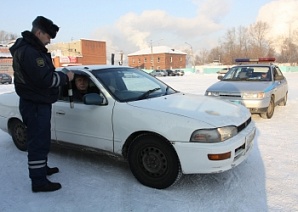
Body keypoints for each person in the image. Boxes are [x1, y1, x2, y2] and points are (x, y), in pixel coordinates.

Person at [9, 16, 74, 192]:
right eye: (48, 37)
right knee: (38, 141)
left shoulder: (31, 49)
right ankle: (38, 181)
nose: (49, 41)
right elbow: (45, 80)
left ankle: (41, 168)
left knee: (41, 139)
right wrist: (64, 77)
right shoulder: (30, 52)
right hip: (35, 104)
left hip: (37, 102)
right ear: (39, 32)